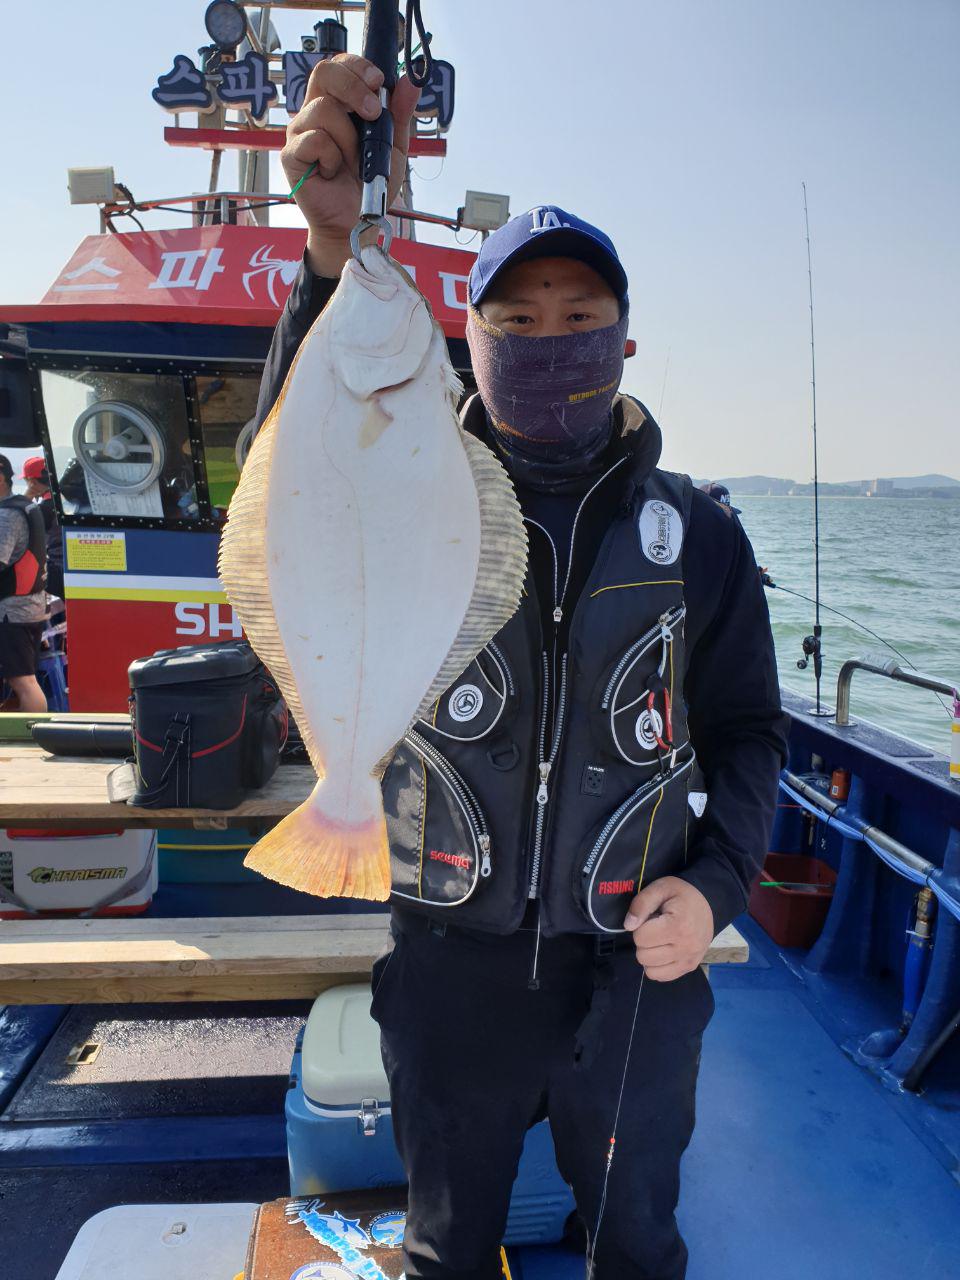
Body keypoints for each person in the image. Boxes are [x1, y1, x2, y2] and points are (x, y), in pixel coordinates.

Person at [256, 55, 789, 1280]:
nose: (548, 342)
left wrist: (714, 888)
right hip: (450, 964)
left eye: (578, 320)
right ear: (471, 341)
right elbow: (308, 477)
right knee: (447, 1252)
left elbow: (752, 733)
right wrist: (329, 256)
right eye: (514, 322)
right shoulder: (410, 493)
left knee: (638, 1246)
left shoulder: (697, 535)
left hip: (637, 973)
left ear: (627, 340)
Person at [0, 454, 48, 712]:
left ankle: (35, 739)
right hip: (33, 606)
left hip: (12, 611)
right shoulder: (26, 506)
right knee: (20, 681)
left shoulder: (7, 515)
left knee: (23, 681)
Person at [21, 456, 64, 601]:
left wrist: (27, 496)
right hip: (75, 569)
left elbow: (15, 524)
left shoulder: (43, 509)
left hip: (58, 574)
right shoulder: (64, 500)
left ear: (32, 482)